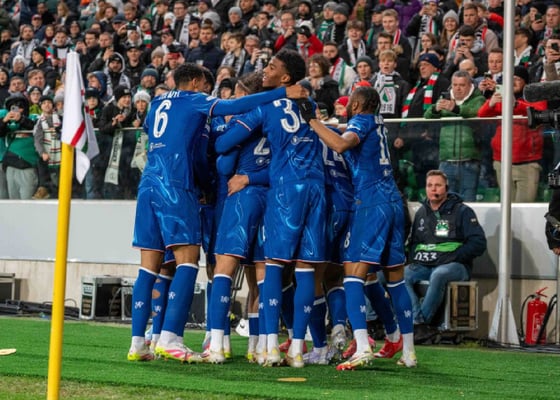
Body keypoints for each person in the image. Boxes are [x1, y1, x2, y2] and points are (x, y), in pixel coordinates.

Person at [127, 62, 306, 362]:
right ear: (197, 82)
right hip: (177, 184)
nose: (209, 93)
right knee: (187, 262)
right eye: (207, 87)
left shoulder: (156, 102)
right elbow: (229, 108)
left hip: (148, 185)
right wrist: (281, 93)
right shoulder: (195, 99)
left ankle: (137, 343)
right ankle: (170, 338)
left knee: (148, 267)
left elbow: (152, 131)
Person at [299, 85, 417, 369]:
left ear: (356, 105)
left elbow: (342, 144)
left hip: (371, 202)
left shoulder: (361, 122)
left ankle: (363, 346)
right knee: (395, 279)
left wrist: (312, 121)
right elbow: (345, 134)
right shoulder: (378, 122)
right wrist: (327, 125)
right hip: (393, 200)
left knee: (352, 274)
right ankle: (409, 352)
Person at [404, 169, 486, 341]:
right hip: (426, 264)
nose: (433, 189)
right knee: (402, 275)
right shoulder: (421, 212)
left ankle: (420, 325)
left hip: (456, 266)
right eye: (429, 185)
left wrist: (454, 256)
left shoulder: (463, 211)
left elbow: (478, 243)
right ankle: (418, 323)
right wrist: (415, 259)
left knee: (439, 274)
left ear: (446, 188)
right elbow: (413, 244)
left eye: (438, 185)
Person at [477, 66, 547, 202]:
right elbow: (482, 115)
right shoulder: (502, 97)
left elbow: (540, 111)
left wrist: (516, 105)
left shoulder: (535, 96)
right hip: (502, 161)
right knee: (507, 204)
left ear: (525, 82)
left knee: (524, 206)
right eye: (510, 79)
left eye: (517, 79)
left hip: (527, 163)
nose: (513, 82)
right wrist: (490, 103)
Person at [424, 70, 486, 201]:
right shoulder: (445, 98)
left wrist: (455, 109)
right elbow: (427, 115)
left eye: (462, 85)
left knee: (468, 201)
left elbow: (476, 112)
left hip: (469, 161)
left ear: (470, 85)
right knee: (445, 202)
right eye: (455, 85)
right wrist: (436, 109)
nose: (457, 88)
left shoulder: (478, 99)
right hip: (446, 160)